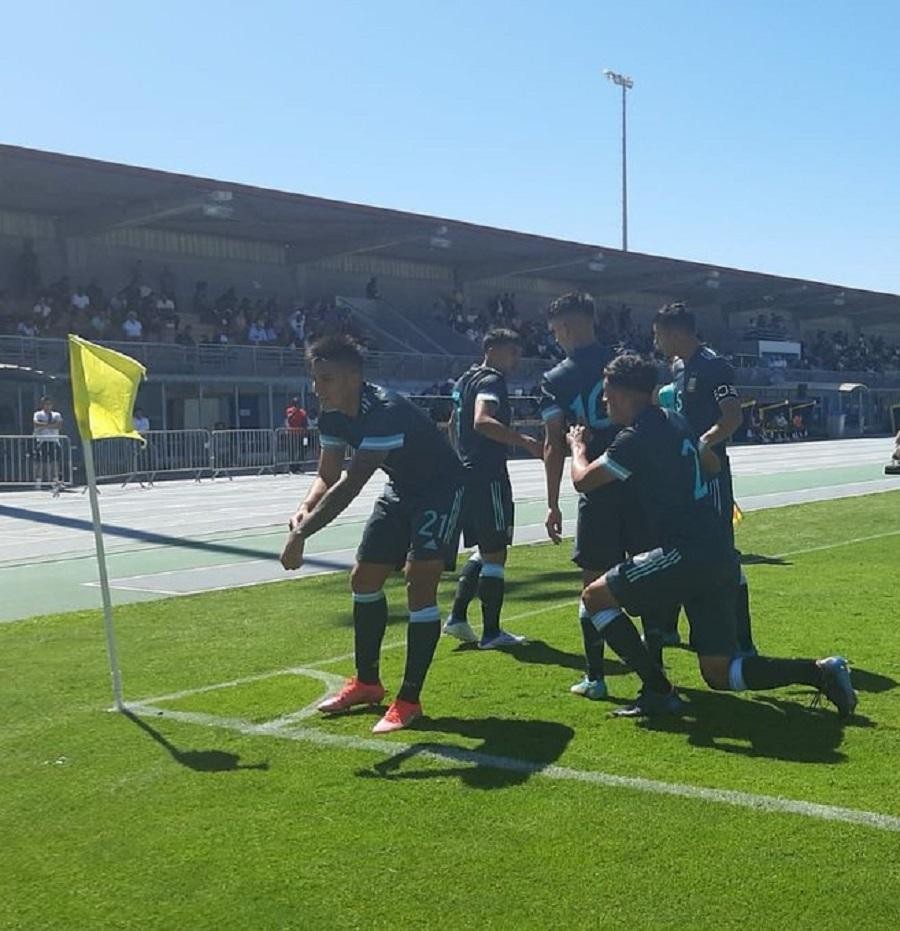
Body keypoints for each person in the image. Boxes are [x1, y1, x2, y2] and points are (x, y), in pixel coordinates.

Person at [568, 352, 856, 718]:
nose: (604, 401)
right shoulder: (676, 420)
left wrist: (578, 446)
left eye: (607, 394)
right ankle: (820, 671)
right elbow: (711, 463)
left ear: (626, 394)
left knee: (595, 597)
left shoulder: (635, 437)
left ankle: (657, 689)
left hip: (687, 550)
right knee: (719, 673)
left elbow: (583, 481)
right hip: (717, 549)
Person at [280, 335, 466, 733]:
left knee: (420, 583)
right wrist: (305, 506)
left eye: (326, 379)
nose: (317, 389)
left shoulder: (384, 411)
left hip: (440, 489)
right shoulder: (331, 414)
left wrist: (301, 536)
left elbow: (350, 484)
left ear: (353, 377)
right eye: (314, 379)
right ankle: (367, 683)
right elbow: (326, 476)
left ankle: (409, 699)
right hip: (401, 488)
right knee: (363, 579)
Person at [540, 292, 662, 701]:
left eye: (557, 330)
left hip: (597, 487)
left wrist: (553, 501)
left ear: (569, 327)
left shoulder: (557, 378)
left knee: (592, 582)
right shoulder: (626, 362)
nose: (556, 338)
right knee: (649, 580)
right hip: (641, 484)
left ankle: (597, 677)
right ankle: (655, 668)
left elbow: (554, 442)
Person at [653, 302, 758, 659]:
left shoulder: (714, 367)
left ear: (675, 332)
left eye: (659, 335)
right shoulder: (679, 369)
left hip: (710, 473)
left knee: (722, 555)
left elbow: (732, 417)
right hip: (682, 476)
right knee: (681, 546)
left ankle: (742, 641)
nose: (657, 342)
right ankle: (672, 628)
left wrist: (703, 443)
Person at [443, 328, 543, 648]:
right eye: (513, 352)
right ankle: (491, 632)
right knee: (496, 550)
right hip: (488, 475)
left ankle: (458, 617)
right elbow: (482, 421)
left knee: (485, 548)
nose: (516, 359)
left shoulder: (464, 380)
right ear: (495, 349)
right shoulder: (490, 381)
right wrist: (524, 441)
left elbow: (451, 425)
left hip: (467, 473)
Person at [32, 397, 63, 488]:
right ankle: (38, 482)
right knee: (40, 462)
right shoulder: (38, 414)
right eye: (46, 404)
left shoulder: (56, 415)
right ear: (42, 405)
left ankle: (55, 481)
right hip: (42, 441)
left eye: (49, 404)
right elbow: (35, 424)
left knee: (54, 462)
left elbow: (59, 425)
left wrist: (44, 425)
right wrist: (50, 425)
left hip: (54, 441)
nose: (48, 406)